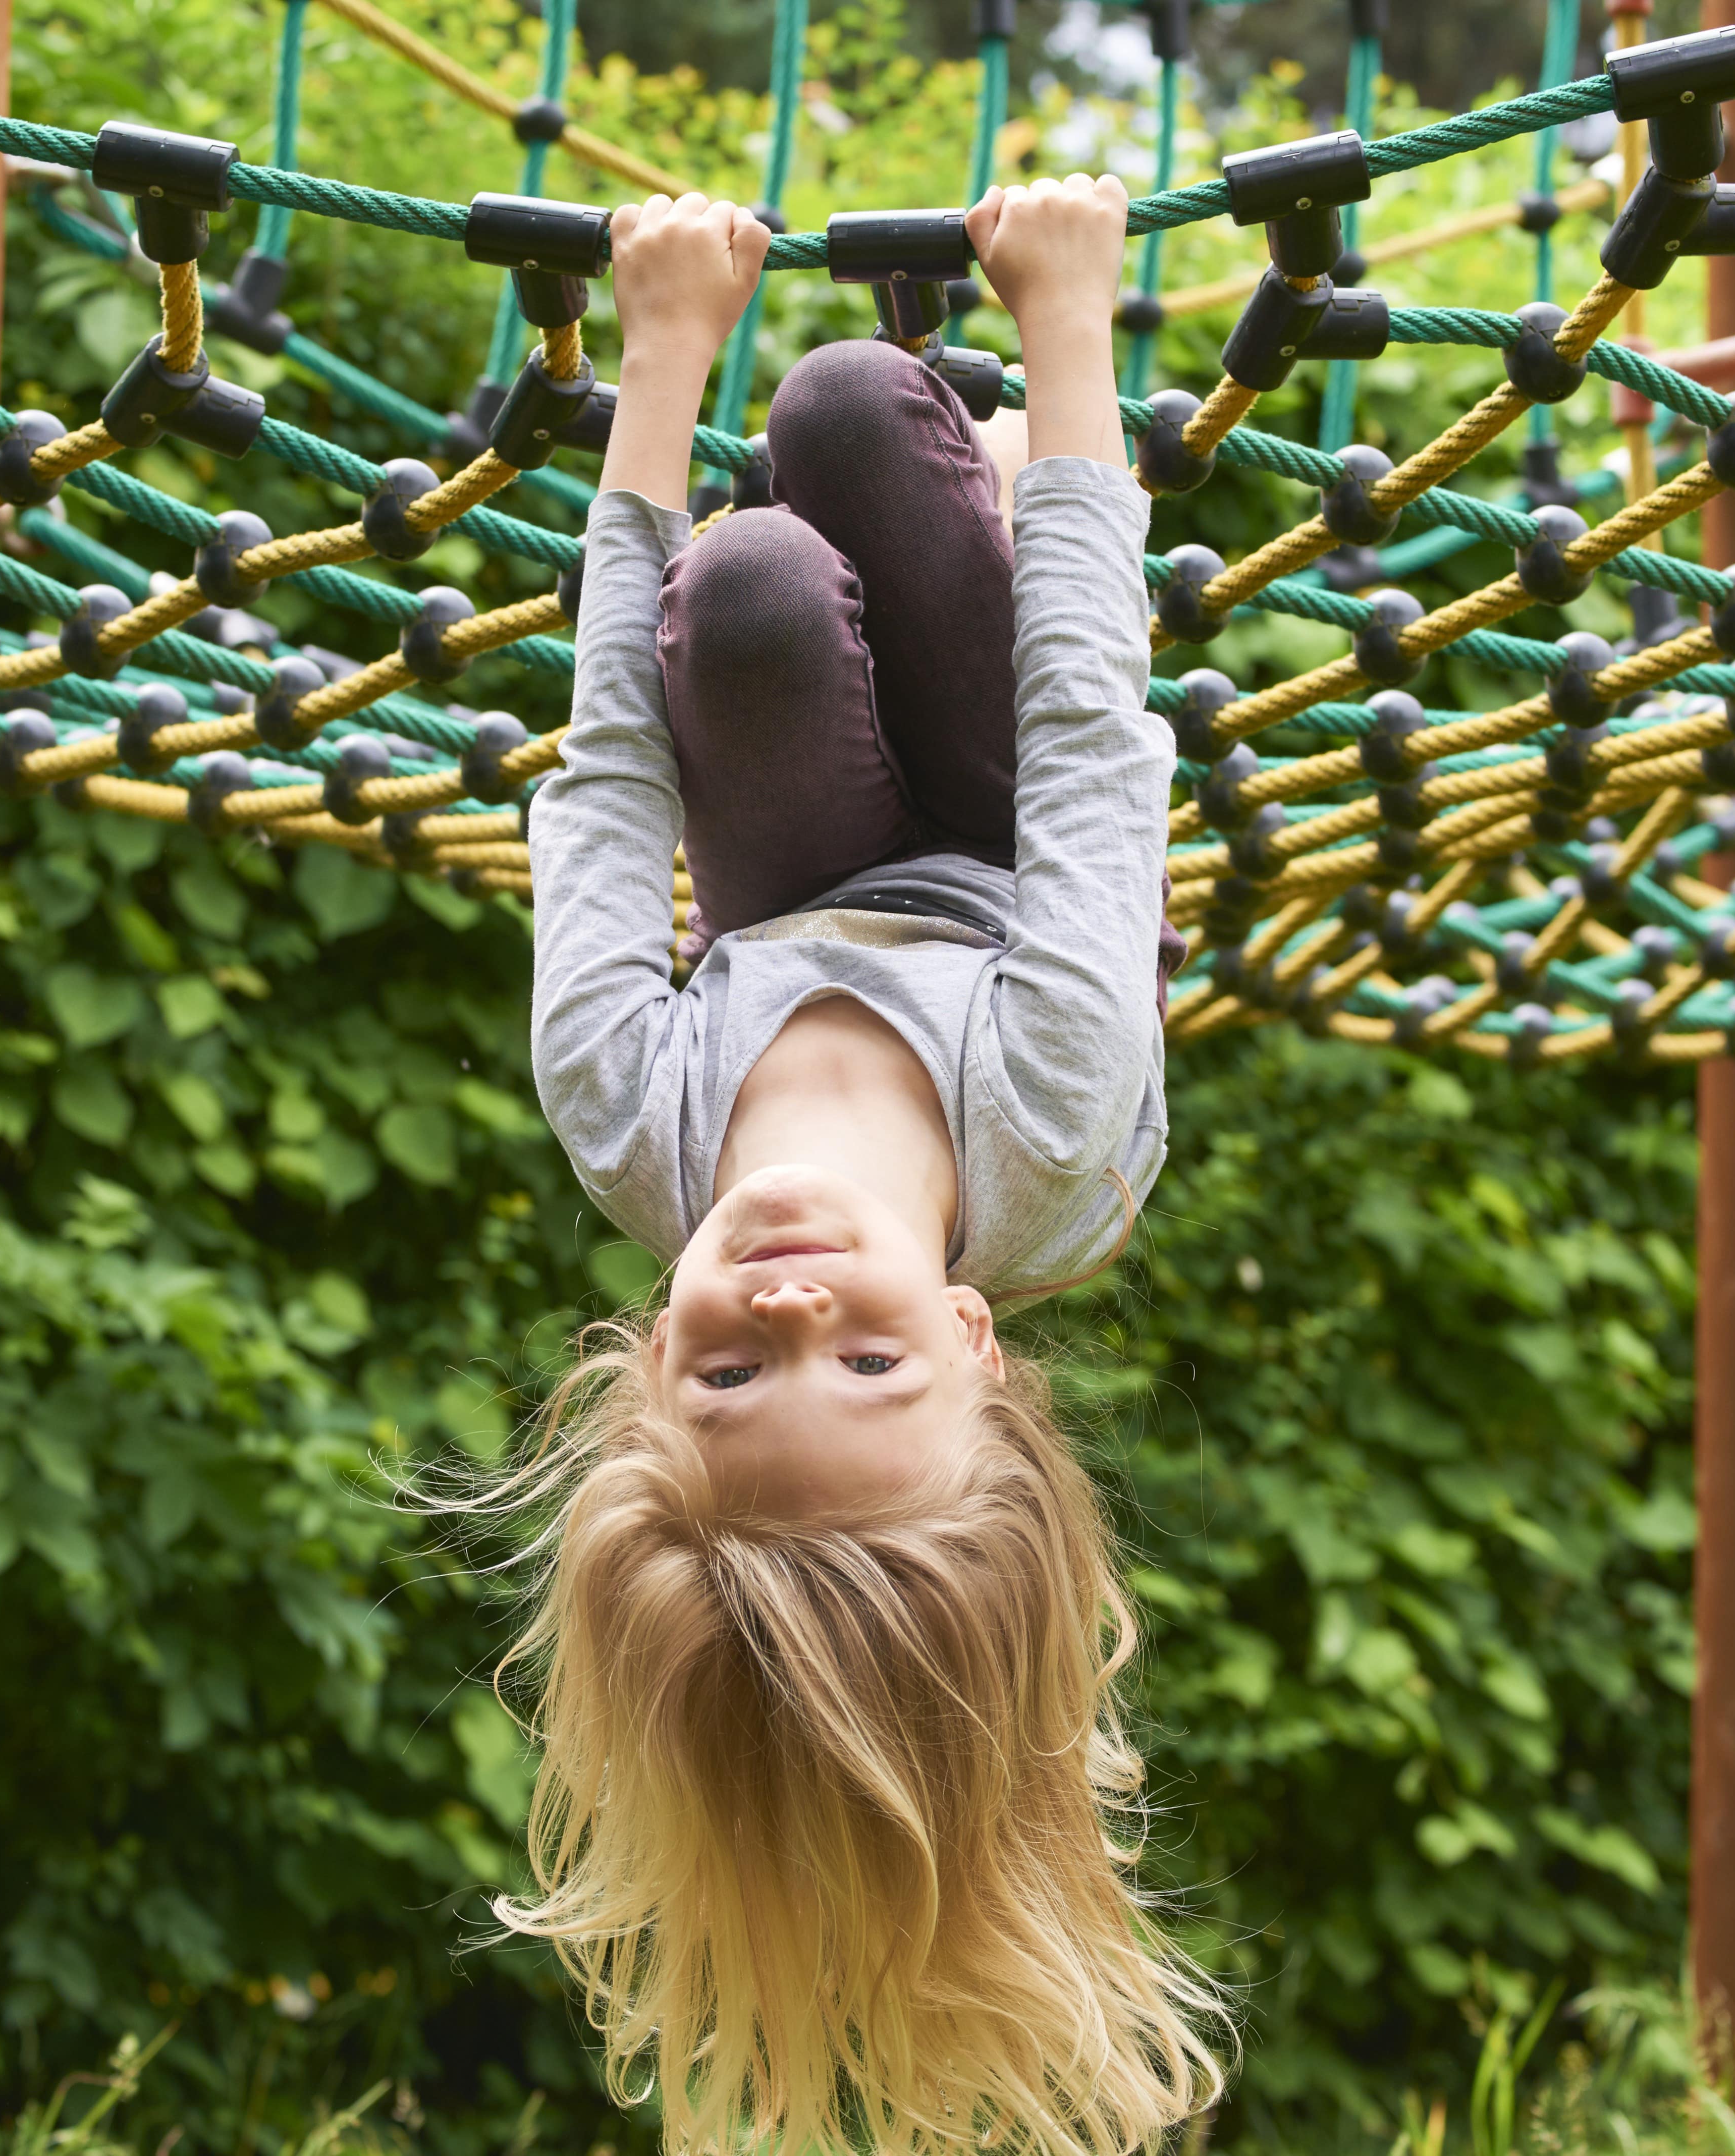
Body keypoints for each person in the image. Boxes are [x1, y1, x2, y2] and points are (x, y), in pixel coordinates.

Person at [498, 173, 1213, 2156]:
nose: (791, 1304)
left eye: (731, 1375)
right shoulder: (1053, 1125)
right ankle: (971, 472)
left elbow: (606, 765)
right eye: (870, 1368)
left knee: (732, 594)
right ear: (980, 1341)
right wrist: (1075, 331)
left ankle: (886, 504)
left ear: (655, 1362)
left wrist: (653, 361)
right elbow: (1090, 736)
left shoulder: (631, 1107)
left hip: (778, 873)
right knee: (835, 406)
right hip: (1015, 850)